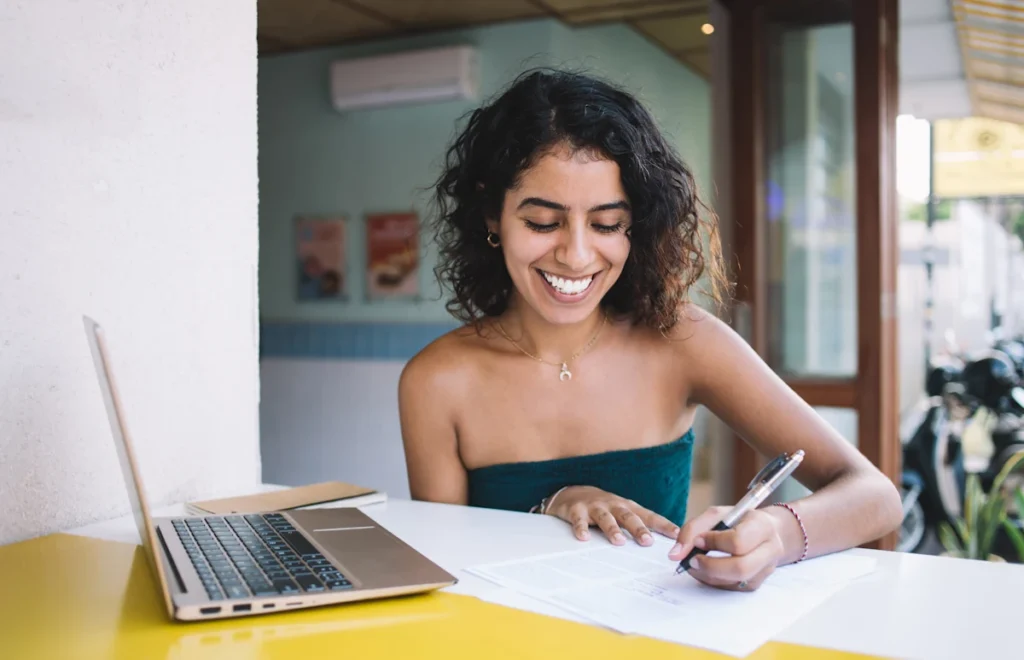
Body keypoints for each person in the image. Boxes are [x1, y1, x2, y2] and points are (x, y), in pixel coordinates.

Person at [398, 68, 903, 592]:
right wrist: (548, 507)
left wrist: (774, 530)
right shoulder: (436, 382)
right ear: (491, 215)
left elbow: (875, 496)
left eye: (607, 224)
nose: (575, 255)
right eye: (543, 222)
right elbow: (446, 576)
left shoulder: (682, 341)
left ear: (637, 224)